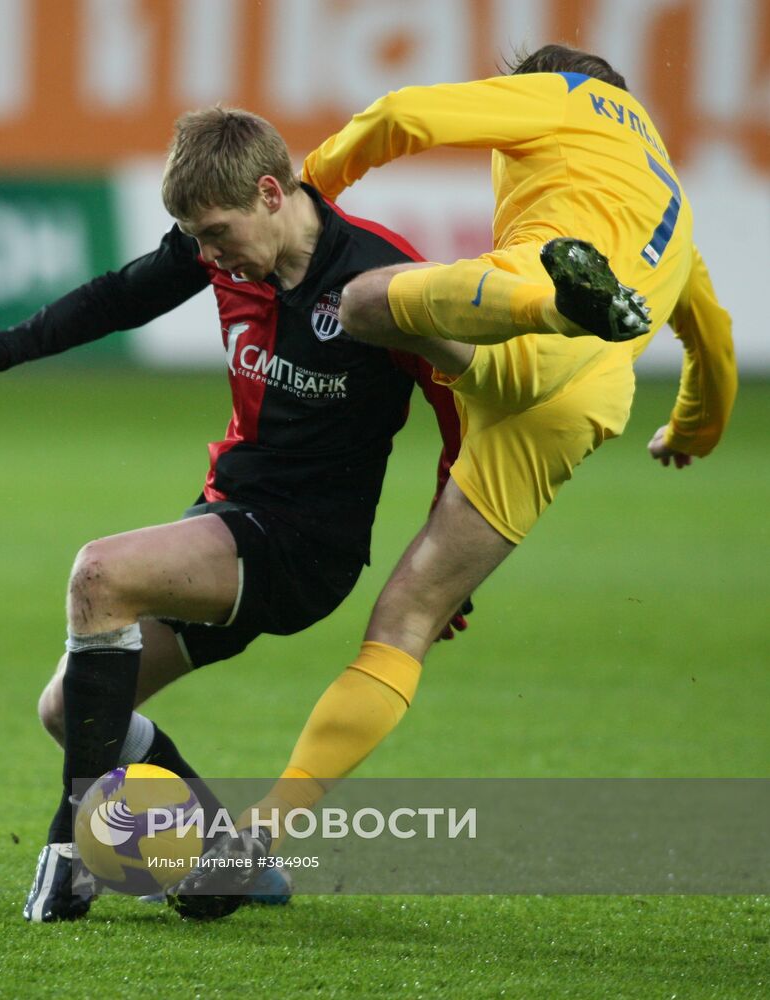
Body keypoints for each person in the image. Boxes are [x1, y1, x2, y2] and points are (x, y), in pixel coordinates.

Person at [172, 44, 737, 918]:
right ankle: (259, 841)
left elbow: (405, 115)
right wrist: (691, 431)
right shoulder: (673, 202)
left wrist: (309, 183)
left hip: (526, 315)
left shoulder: (567, 100)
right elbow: (713, 343)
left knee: (362, 303)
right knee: (411, 618)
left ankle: (560, 298)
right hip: (582, 403)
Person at [0, 107, 470, 922]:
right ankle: (221, 863)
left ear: (271, 192)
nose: (207, 257)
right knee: (71, 712)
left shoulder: (379, 281)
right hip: (226, 518)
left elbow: (462, 420)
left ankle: (71, 851)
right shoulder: (223, 248)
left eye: (215, 235)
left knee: (101, 573)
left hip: (303, 547)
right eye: (194, 240)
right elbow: (116, 300)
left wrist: (450, 566)